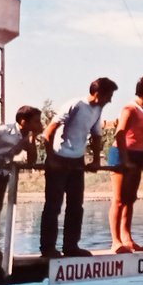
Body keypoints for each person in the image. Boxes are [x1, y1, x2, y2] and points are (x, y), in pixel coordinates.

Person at [41, 78, 117, 258]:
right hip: (59, 159)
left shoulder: (98, 110)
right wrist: (50, 157)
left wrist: (96, 160)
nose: (110, 100)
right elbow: (49, 131)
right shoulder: (75, 105)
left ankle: (70, 246)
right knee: (53, 206)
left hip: (77, 161)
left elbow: (97, 135)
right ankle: (47, 248)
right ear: (98, 93)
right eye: (109, 96)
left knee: (76, 206)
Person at [107, 74, 143, 254]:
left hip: (138, 156)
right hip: (122, 155)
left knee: (130, 199)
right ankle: (115, 241)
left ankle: (127, 238)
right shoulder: (130, 109)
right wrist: (126, 160)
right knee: (119, 199)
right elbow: (120, 134)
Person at [0, 106, 43, 261]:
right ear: (23, 121)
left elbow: (32, 160)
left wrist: (33, 138)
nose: (39, 124)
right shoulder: (4, 130)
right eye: (36, 121)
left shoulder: (25, 137)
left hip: (2, 174)